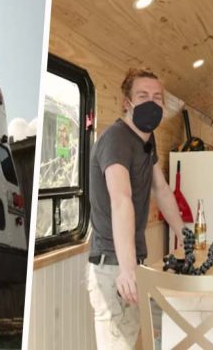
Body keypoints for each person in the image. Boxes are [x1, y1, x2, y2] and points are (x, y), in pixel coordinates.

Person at [86, 68, 187, 349]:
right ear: (126, 102)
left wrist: (182, 231)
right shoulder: (117, 141)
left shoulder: (146, 139)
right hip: (113, 266)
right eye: (143, 96)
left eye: (157, 98)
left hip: (133, 263)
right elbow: (120, 200)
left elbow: (162, 189)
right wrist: (127, 270)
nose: (151, 103)